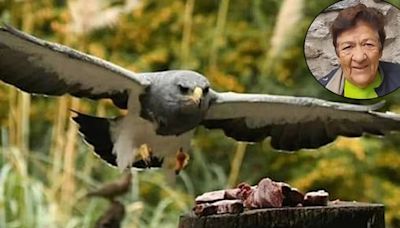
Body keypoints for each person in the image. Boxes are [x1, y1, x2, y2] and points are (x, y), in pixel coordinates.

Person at [319, 3, 400, 99]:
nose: (359, 57)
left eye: (368, 44)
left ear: (380, 50)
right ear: (338, 54)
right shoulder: (321, 92)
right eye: (347, 47)